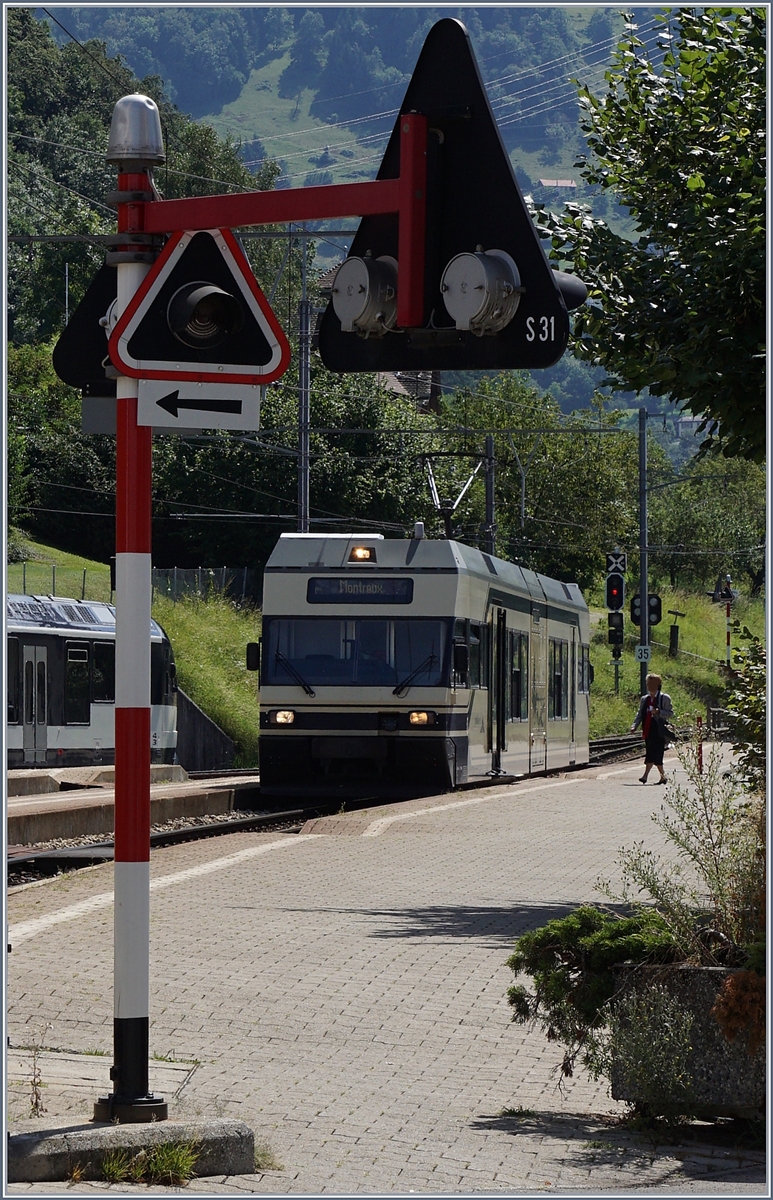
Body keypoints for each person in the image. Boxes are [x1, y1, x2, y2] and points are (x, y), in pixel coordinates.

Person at [630, 673, 674, 784]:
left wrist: (659, 712)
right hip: (648, 729)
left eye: (652, 684)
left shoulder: (664, 698)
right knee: (650, 752)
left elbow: (670, 713)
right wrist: (634, 725)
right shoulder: (645, 699)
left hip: (659, 730)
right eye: (648, 683)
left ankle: (647, 776)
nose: (649, 686)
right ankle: (661, 777)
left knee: (657, 753)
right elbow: (640, 714)